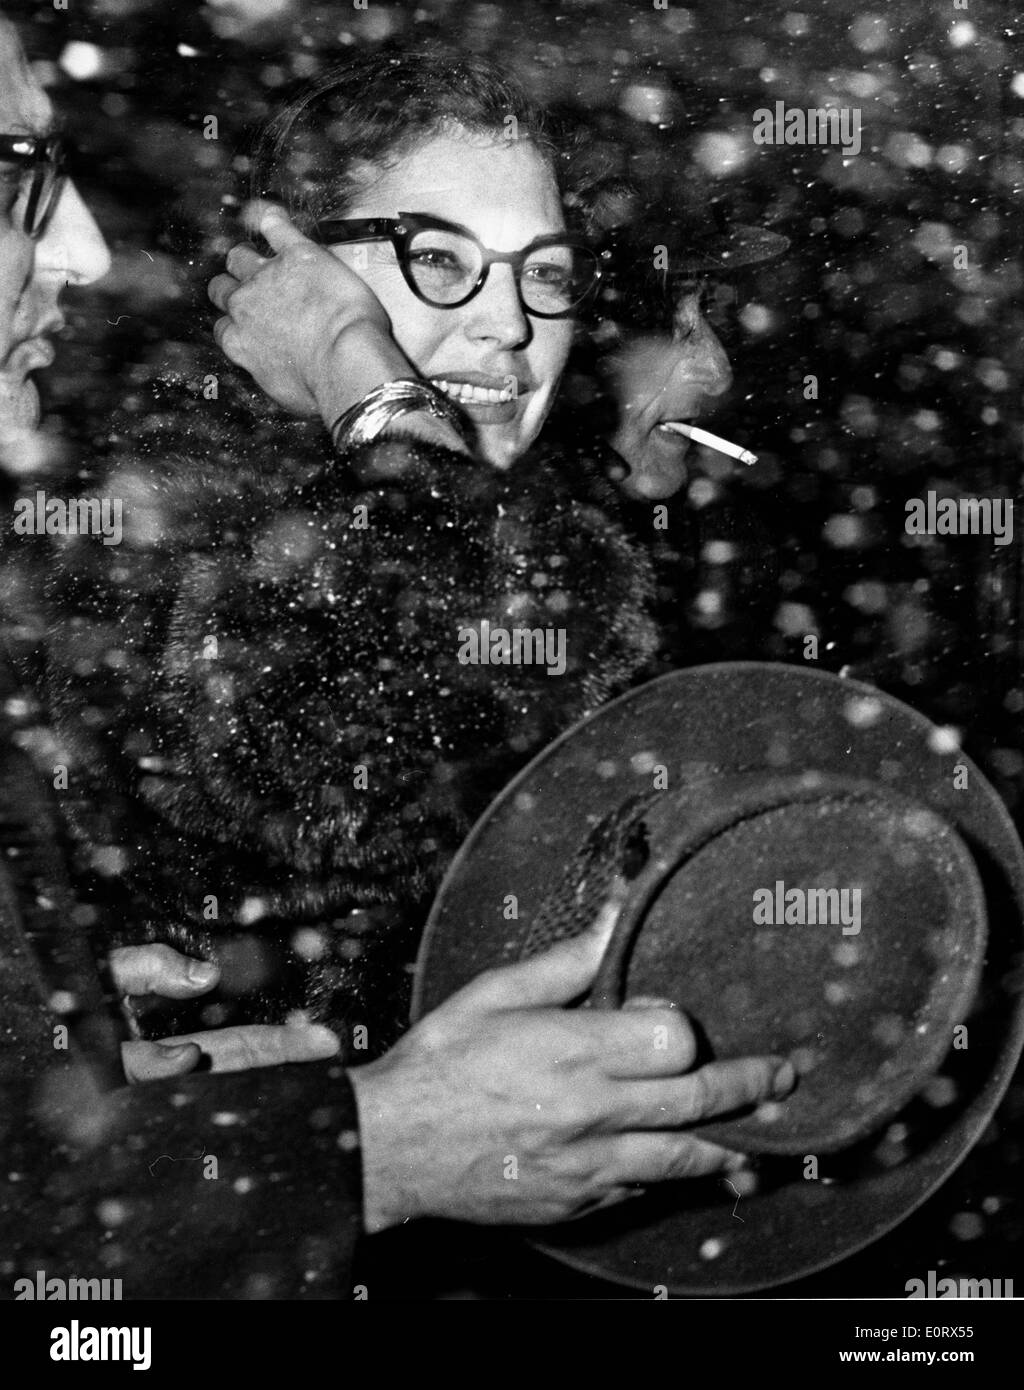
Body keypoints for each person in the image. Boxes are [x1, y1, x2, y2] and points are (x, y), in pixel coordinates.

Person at [2, 24, 793, 1297]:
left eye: (547, 277)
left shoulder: (554, 549)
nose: (508, 329)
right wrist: (361, 375)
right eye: (439, 261)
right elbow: (435, 665)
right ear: (285, 274)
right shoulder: (157, 530)